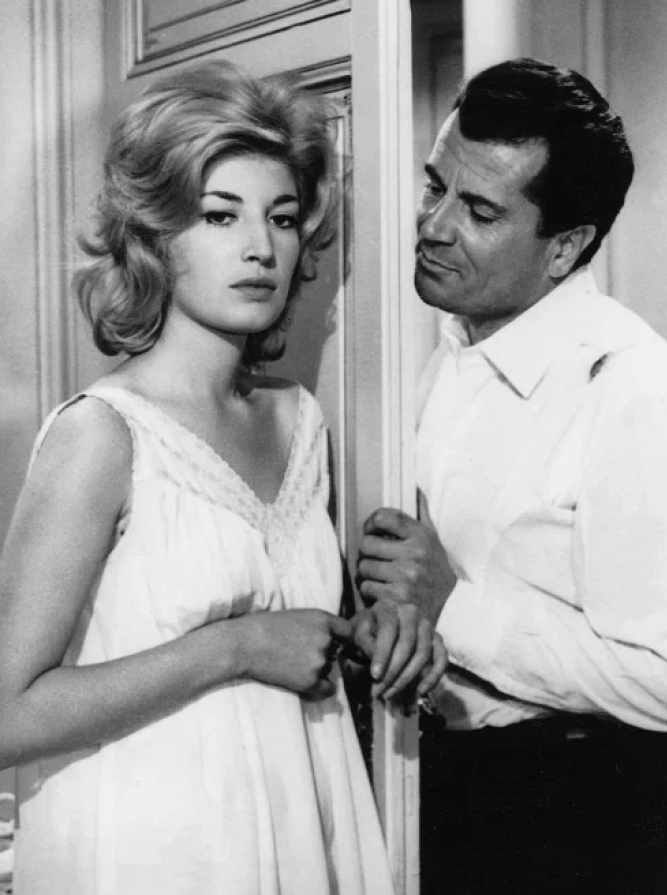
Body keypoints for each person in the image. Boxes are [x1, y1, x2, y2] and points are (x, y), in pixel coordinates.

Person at [0, 59, 446, 895]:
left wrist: (376, 639)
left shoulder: (298, 420)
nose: (260, 248)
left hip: (303, 835)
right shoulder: (102, 434)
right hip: (152, 853)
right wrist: (234, 646)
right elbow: (6, 712)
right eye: (219, 214)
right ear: (156, 234)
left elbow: (293, 638)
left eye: (283, 218)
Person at [357, 57, 667, 895]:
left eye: (480, 211)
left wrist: (454, 606)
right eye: (436, 186)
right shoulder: (452, 349)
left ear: (564, 247)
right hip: (448, 791)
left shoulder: (637, 392)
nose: (433, 225)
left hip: (584, 826)